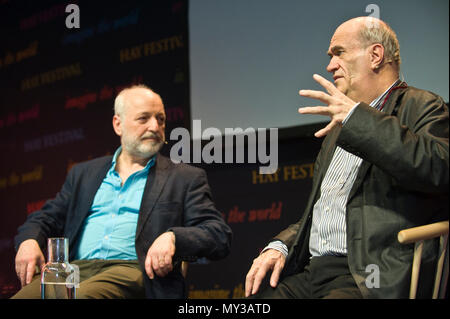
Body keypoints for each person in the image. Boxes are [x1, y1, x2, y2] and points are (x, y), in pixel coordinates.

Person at [245, 17, 449, 299]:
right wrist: (280, 245)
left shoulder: (423, 105)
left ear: (376, 55)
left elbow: (438, 167)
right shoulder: (337, 132)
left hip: (370, 275)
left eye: (338, 53)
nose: (330, 66)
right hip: (313, 273)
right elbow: (316, 216)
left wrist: (357, 119)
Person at [12, 85, 232, 299]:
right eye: (144, 118)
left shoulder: (184, 177)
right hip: (74, 270)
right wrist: (29, 242)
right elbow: (45, 218)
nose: (155, 126)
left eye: (161, 119)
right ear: (118, 124)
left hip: (130, 271)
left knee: (85, 296)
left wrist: (174, 237)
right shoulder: (84, 173)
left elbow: (217, 234)